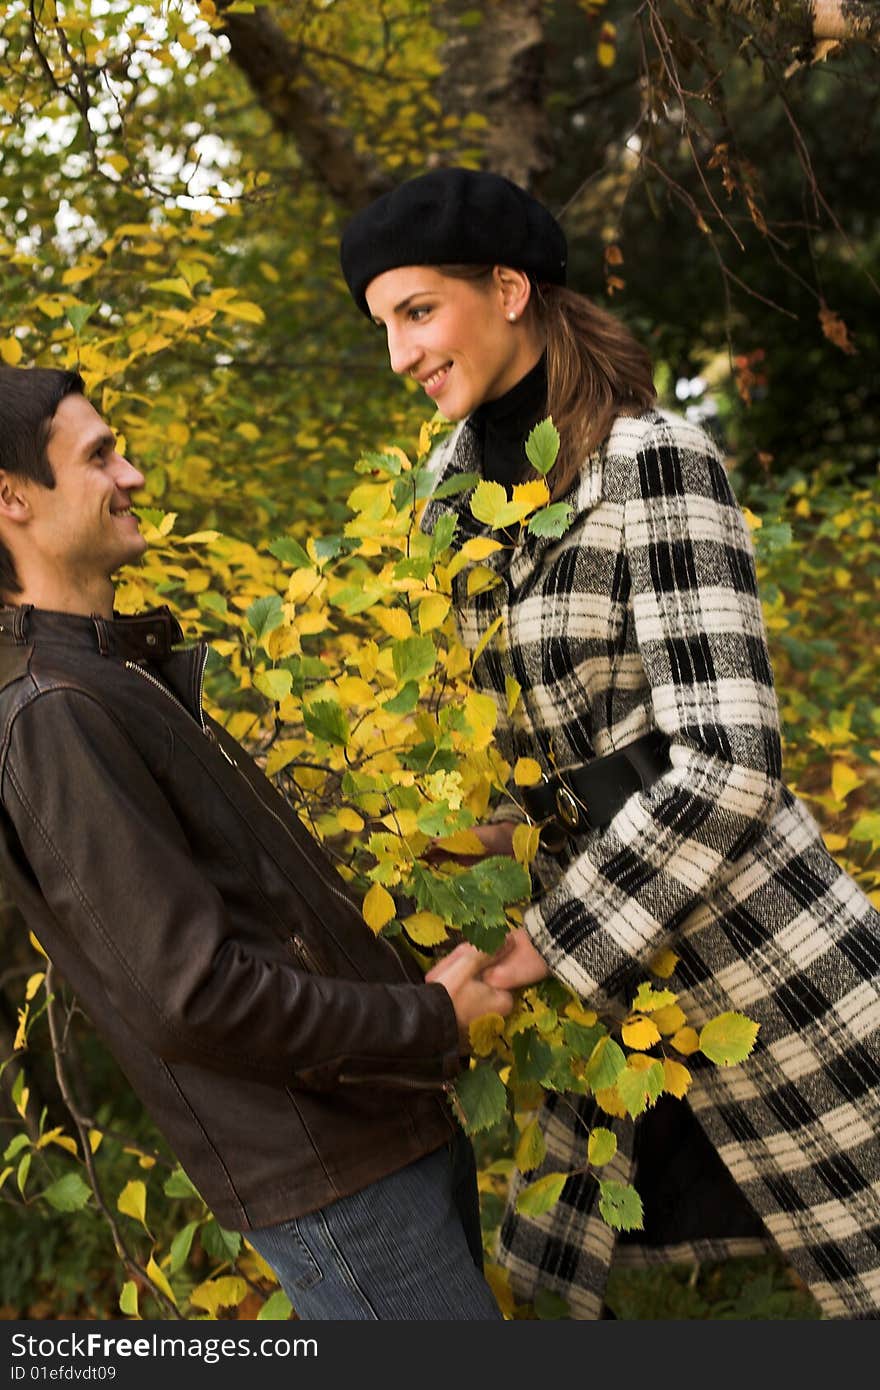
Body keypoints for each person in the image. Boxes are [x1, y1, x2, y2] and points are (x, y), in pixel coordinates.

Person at [339, 166, 880, 1319]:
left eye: (417, 312)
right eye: (383, 325)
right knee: (553, 1286)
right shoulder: (447, 502)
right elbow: (541, 753)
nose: (398, 356)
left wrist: (542, 941)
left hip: (753, 951)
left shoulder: (653, 464)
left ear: (511, 287)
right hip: (606, 995)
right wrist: (461, 843)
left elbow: (730, 761)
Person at [0, 364, 513, 1321]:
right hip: (333, 1178)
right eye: (101, 456)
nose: (135, 476)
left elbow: (266, 904)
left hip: (377, 1128)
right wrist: (429, 1020)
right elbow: (193, 996)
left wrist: (447, 861)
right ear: (12, 499)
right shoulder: (52, 713)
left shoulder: (113, 671)